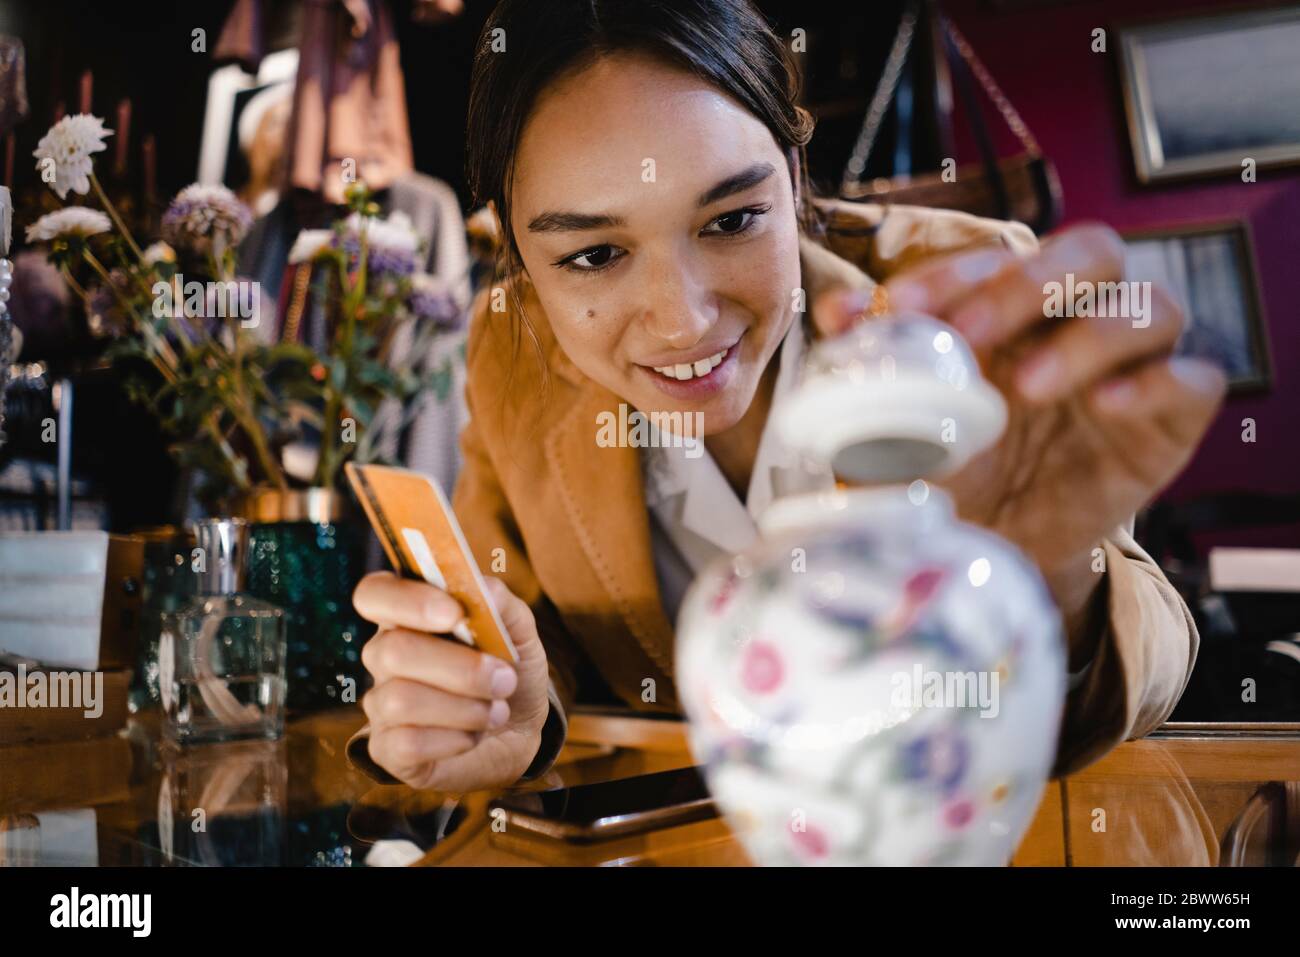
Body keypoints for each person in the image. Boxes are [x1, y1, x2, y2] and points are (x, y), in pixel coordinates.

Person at [345, 0, 1226, 794]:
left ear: (795, 174)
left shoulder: (961, 293)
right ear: (515, 251)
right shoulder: (512, 352)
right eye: (593, 256)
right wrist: (504, 710)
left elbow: (1149, 662)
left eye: (732, 220)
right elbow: (530, 625)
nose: (682, 321)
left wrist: (1047, 578)